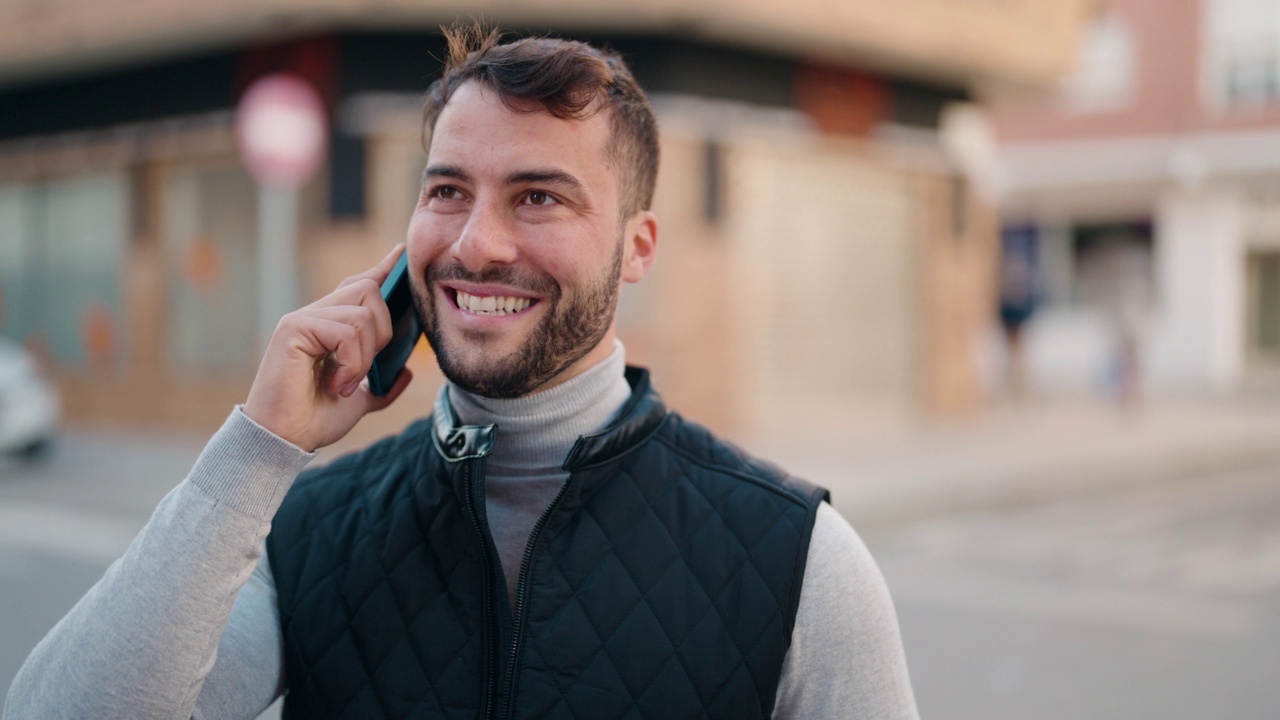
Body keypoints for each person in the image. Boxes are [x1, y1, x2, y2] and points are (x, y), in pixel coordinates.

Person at [4, 24, 918, 720]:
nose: (478, 244)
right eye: (447, 191)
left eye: (539, 197)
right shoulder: (304, 533)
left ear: (636, 248)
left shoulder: (799, 559)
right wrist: (257, 451)